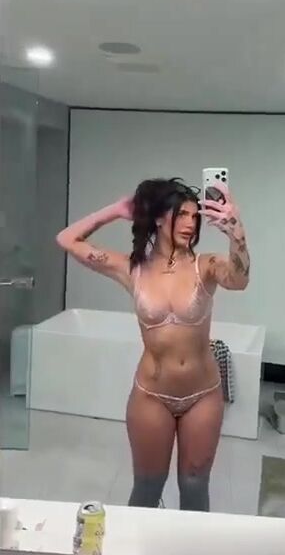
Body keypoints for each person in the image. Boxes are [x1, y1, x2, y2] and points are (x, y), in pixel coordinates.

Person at [56, 177, 250, 512]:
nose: (190, 224)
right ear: (159, 218)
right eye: (182, 215)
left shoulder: (206, 266)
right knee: (146, 489)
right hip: (151, 396)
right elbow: (67, 239)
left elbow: (239, 279)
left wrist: (236, 229)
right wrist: (115, 210)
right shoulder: (132, 269)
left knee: (195, 487)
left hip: (202, 395)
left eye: (195, 216)